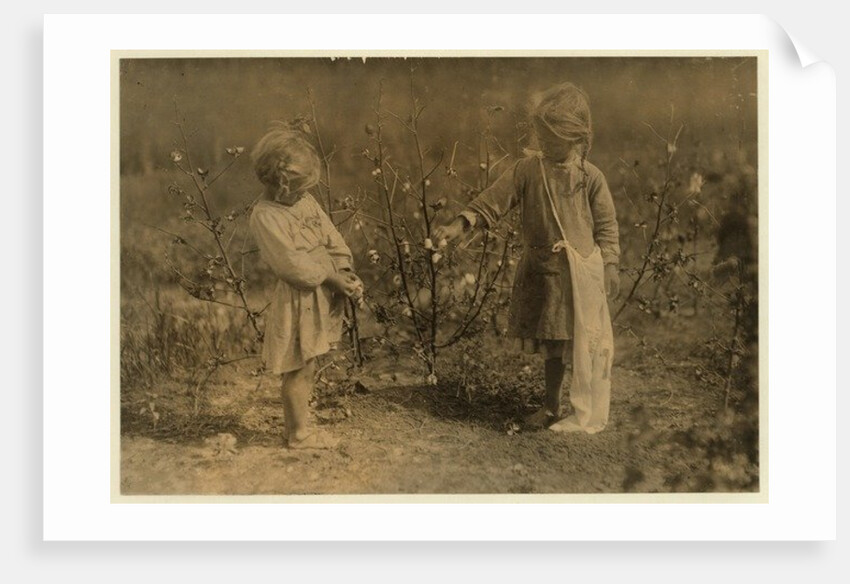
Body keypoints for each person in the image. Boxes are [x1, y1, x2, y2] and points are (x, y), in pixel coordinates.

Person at [433, 82, 620, 433]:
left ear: (576, 137)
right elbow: (493, 200)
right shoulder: (527, 171)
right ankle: (551, 406)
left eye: (555, 138)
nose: (546, 144)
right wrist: (461, 223)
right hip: (544, 273)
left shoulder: (590, 179)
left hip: (579, 276)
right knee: (553, 343)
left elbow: (607, 227)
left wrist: (610, 265)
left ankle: (585, 403)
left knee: (583, 342)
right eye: (542, 136)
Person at [249, 123, 362, 449]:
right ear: (281, 187)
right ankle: (298, 434)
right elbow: (290, 265)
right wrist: (330, 277)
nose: (303, 195)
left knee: (310, 362)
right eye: (297, 189)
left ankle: (300, 426)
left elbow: (331, 236)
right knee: (298, 366)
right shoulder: (267, 216)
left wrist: (343, 266)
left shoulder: (306, 203)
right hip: (299, 299)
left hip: (322, 293)